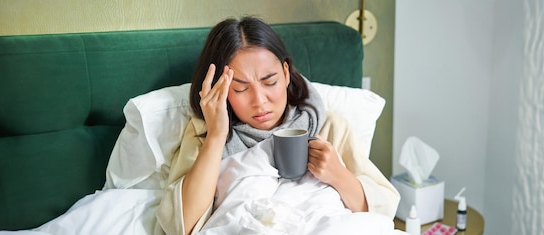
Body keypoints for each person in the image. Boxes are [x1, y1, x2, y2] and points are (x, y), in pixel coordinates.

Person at [156, 16, 400, 235]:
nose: (259, 101)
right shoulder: (204, 135)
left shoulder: (329, 126)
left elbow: (382, 209)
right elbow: (182, 226)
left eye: (269, 82)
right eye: (240, 89)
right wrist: (217, 136)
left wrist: (339, 175)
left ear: (285, 73)